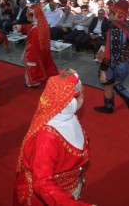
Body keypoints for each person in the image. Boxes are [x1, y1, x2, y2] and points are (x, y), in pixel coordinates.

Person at [14, 69, 92, 205]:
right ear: (68, 102)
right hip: (47, 197)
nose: (83, 97)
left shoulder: (68, 117)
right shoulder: (47, 138)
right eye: (80, 95)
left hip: (68, 186)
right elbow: (42, 182)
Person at [94, 0, 129, 114]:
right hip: (124, 62)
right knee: (116, 82)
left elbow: (110, 52)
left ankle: (108, 107)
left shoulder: (115, 29)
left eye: (110, 12)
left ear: (117, 14)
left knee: (108, 85)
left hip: (112, 64)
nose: (108, 14)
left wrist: (103, 70)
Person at [24, 3, 59, 88]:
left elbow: (34, 44)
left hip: (34, 51)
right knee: (44, 65)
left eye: (29, 17)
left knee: (33, 66)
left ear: (34, 16)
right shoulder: (41, 25)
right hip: (43, 51)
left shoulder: (36, 29)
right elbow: (30, 27)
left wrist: (29, 54)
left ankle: (32, 82)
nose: (28, 19)